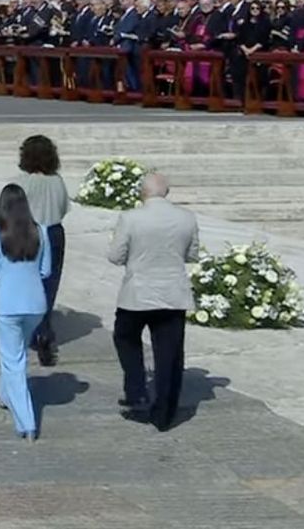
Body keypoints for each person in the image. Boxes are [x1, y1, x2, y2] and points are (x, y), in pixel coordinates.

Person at [108, 172, 200, 432]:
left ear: (143, 192)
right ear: (166, 192)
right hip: (173, 294)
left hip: (137, 293)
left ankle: (136, 390)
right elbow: (192, 254)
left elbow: (115, 256)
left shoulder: (130, 218)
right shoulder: (187, 218)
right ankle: (164, 413)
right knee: (169, 354)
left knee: (125, 338)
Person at [0, 183, 53, 441]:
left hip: (8, 305)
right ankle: (5, 395)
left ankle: (27, 421)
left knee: (13, 361)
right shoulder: (41, 232)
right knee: (16, 355)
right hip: (35, 304)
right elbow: (46, 271)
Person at [13, 135, 71, 366]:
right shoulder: (57, 181)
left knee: (26, 284)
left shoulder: (21, 182)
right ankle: (44, 330)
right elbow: (64, 208)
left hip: (28, 233)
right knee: (49, 284)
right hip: (54, 232)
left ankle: (31, 329)